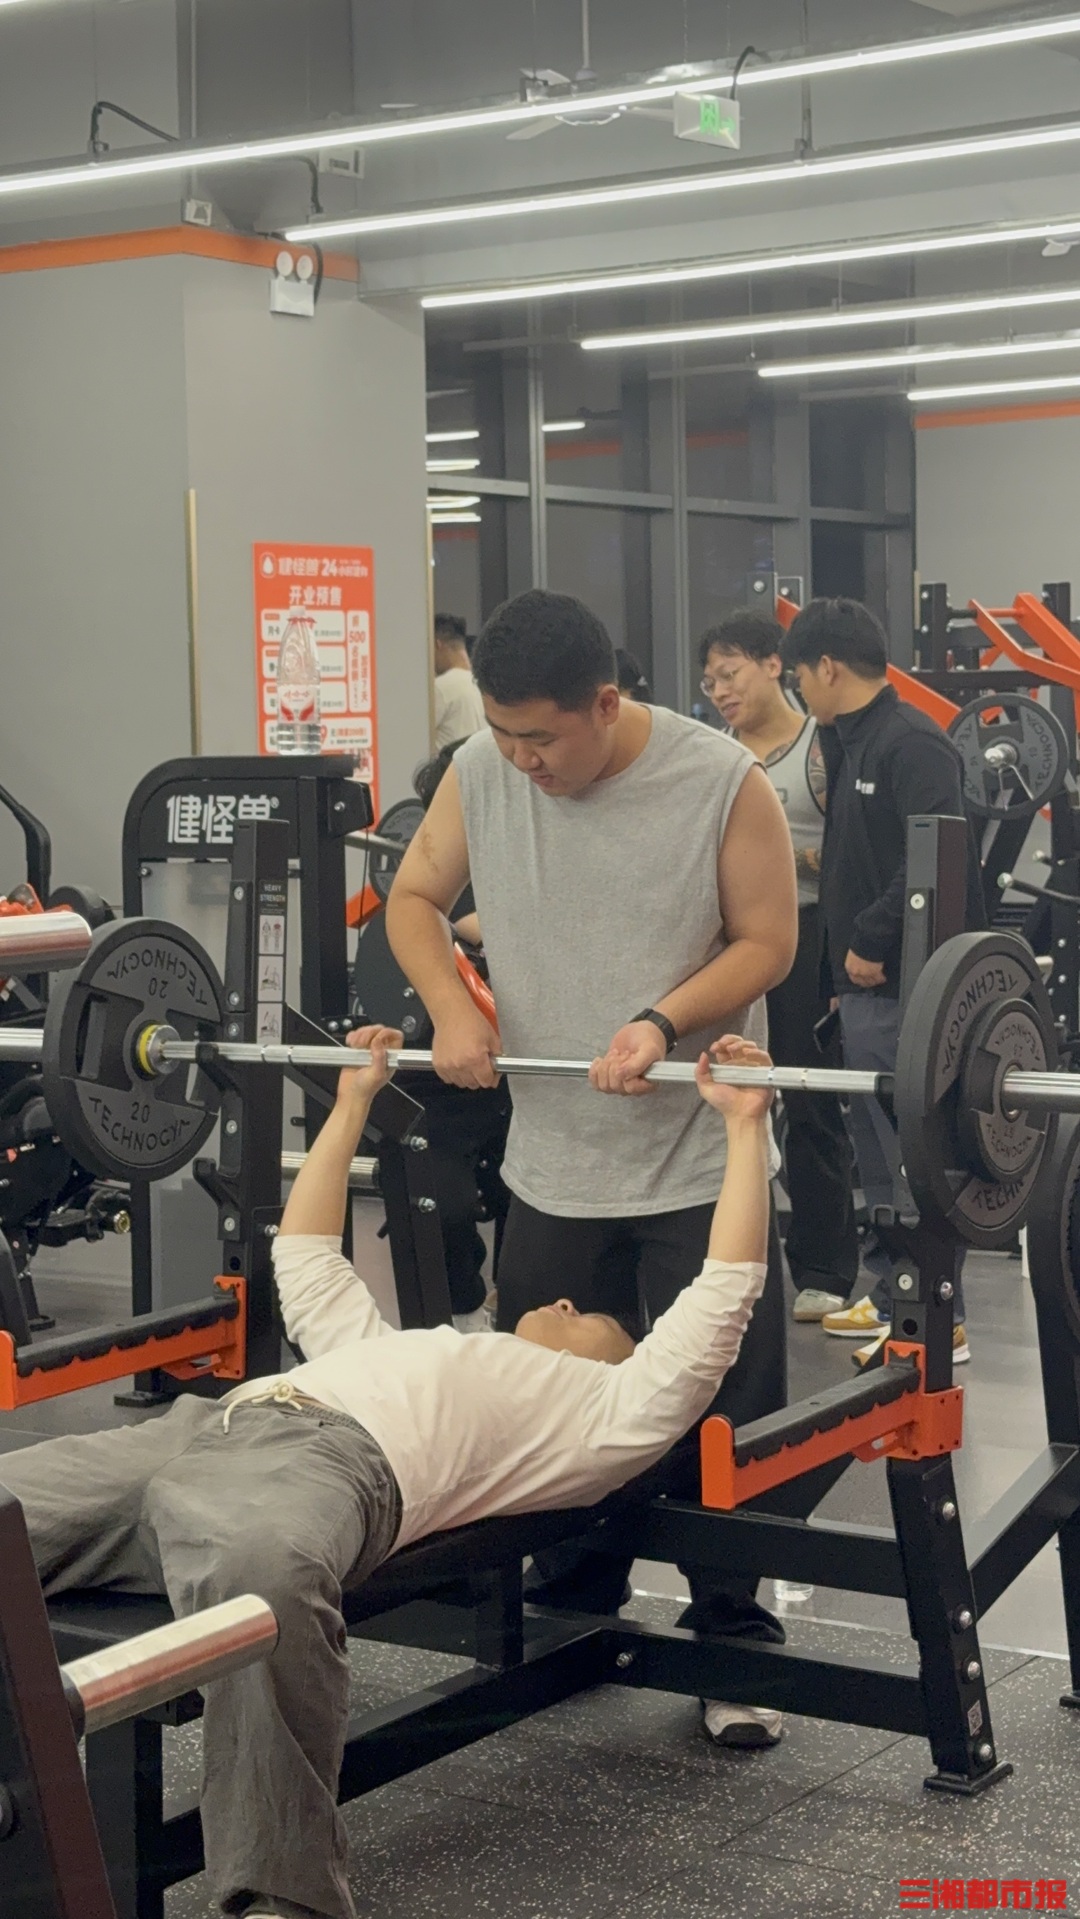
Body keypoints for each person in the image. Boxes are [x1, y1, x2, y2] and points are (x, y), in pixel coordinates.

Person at [0, 1024, 773, 1919]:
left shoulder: (608, 1412)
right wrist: (353, 1102)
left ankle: (281, 1899)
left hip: (326, 1465)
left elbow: (723, 1293)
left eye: (600, 1320)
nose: (567, 1300)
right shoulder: (410, 1344)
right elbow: (305, 1256)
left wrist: (745, 1127)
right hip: (203, 1425)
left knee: (266, 1586)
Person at [387, 586, 799, 1750]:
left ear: (605, 703)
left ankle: (731, 1639)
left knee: (720, 1419)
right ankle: (575, 1609)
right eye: (502, 733)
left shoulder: (721, 778)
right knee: (552, 1411)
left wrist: (661, 1021)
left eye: (541, 738)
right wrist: (449, 1007)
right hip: (553, 1162)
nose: (521, 760)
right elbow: (414, 897)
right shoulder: (482, 770)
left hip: (696, 1166)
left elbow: (769, 940)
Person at [781, 596, 979, 1367]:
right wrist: (836, 968)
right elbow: (848, 863)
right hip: (859, 985)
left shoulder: (911, 744)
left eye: (800, 674)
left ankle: (941, 1311)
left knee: (912, 1152)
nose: (800, 689)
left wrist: (869, 939)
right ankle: (892, 1284)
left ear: (828, 666)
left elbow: (932, 858)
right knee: (872, 1147)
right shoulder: (847, 741)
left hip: (908, 985)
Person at [699, 609, 859, 1322]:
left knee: (809, 1102)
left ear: (773, 666)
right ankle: (732, 1262)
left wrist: (780, 859)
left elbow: (850, 854)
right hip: (730, 941)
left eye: (730, 673)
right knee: (726, 1101)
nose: (720, 691)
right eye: (709, 682)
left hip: (809, 935)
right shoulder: (714, 755)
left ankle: (825, 1268)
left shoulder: (820, 750)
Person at [433, 613, 486, 749]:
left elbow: (414, 734)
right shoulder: (484, 684)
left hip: (449, 762)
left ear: (437, 644)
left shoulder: (440, 687)